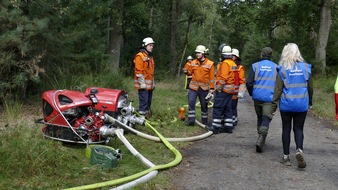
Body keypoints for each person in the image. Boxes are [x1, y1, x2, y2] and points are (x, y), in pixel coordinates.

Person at [271, 43, 313, 168]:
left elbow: (278, 89)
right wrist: (310, 101)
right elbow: (310, 88)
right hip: (301, 104)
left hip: (286, 104)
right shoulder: (306, 67)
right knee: (299, 129)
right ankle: (299, 150)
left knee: (286, 129)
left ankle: (286, 157)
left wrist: (273, 106)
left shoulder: (282, 68)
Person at [246, 47, 278, 153]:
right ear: (270, 55)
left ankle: (261, 137)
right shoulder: (276, 67)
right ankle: (261, 138)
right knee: (266, 118)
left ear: (261, 54)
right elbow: (279, 85)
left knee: (259, 117)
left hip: (257, 96)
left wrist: (252, 93)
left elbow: (249, 82)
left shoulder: (255, 66)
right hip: (269, 97)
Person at [206, 45, 236, 134]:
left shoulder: (225, 64)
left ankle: (215, 126)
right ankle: (228, 126)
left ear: (223, 54)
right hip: (230, 89)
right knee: (227, 107)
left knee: (218, 107)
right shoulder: (233, 63)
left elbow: (224, 78)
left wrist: (216, 88)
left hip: (224, 89)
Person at [186, 45, 215, 126]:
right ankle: (191, 121)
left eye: (199, 53)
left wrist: (212, 88)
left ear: (203, 53)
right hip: (193, 87)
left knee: (204, 105)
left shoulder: (210, 64)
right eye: (196, 53)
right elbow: (190, 73)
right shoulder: (193, 62)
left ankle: (204, 121)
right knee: (191, 102)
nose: (197, 54)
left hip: (204, 88)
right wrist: (186, 72)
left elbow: (212, 78)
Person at [133, 37, 155, 118]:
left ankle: (146, 117)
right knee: (144, 102)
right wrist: (142, 83)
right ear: (145, 46)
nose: (152, 47)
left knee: (148, 102)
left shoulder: (150, 57)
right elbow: (138, 71)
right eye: (150, 45)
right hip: (143, 85)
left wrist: (153, 83)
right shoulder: (140, 56)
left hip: (149, 86)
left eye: (152, 45)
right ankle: (141, 118)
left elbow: (151, 72)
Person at [231, 48, 246, 126]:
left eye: (233, 55)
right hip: (227, 90)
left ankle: (234, 119)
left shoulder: (239, 67)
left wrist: (241, 92)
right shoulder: (228, 65)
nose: (232, 57)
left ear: (236, 57)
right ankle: (230, 120)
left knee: (233, 106)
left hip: (235, 91)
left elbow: (242, 81)